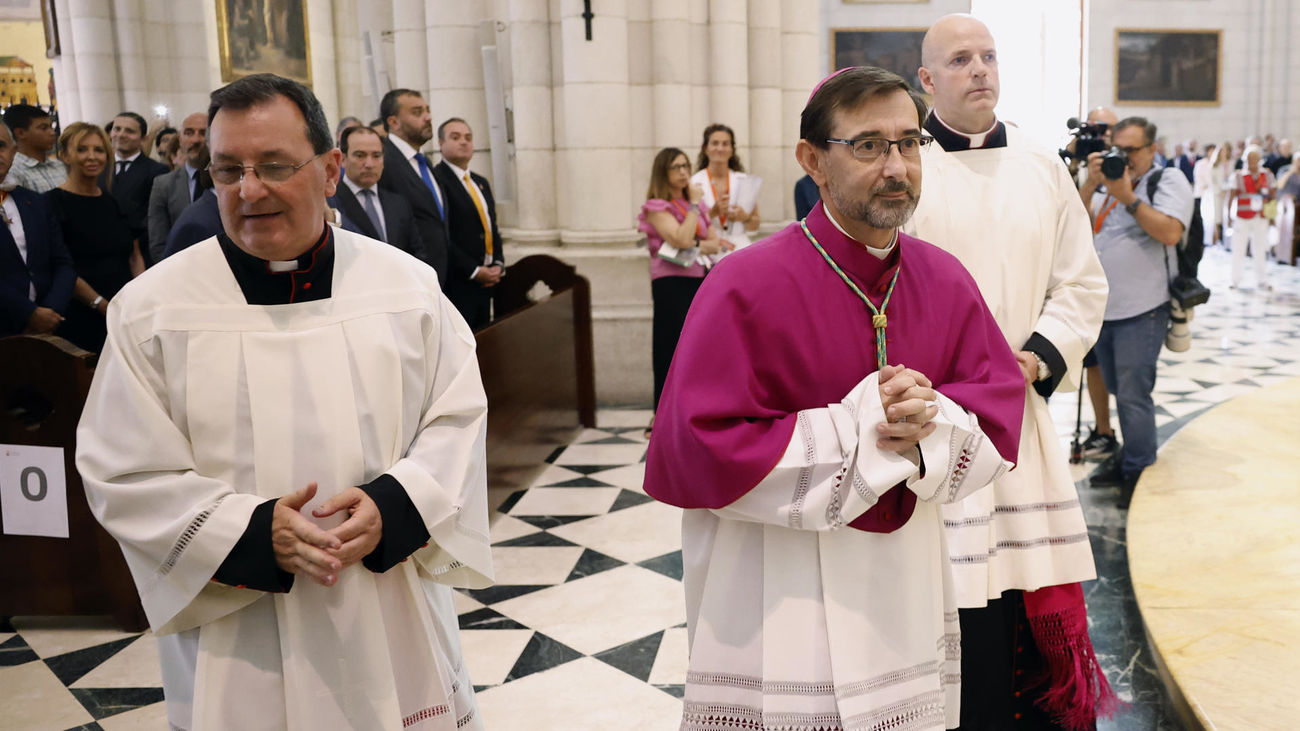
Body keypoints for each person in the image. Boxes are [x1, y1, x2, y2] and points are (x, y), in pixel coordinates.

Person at [76, 73, 492, 730]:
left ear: (329, 171)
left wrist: (396, 505)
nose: (249, 189)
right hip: (239, 627)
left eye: (274, 166)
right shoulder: (151, 312)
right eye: (227, 169)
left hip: (386, 607)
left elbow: (459, 416)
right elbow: (120, 468)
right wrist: (245, 531)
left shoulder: (405, 288)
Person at [646, 65, 1025, 731]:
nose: (897, 167)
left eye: (909, 143)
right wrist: (863, 428)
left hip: (901, 590)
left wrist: (930, 425)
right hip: (774, 593)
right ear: (812, 160)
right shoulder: (742, 284)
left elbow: (996, 410)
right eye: (869, 145)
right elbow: (697, 446)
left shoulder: (943, 278)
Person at [907, 14, 1114, 729]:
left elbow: (1081, 284)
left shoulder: (1039, 163)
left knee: (1014, 589)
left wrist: (1037, 354)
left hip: (1017, 409)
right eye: (960, 60)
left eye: (989, 56)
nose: (980, 70)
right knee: (947, 593)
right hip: (931, 421)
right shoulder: (904, 168)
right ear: (927, 81)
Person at [1082, 116, 1194, 504]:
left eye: (1131, 150)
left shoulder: (1167, 181)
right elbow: (1074, 224)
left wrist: (1127, 196)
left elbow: (1169, 232)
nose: (1123, 158)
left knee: (1132, 394)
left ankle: (1140, 471)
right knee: (1116, 389)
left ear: (1152, 149)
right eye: (1118, 149)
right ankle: (1129, 457)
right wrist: (1092, 184)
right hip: (1104, 309)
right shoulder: (1107, 184)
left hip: (1144, 308)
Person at [638, 147, 726, 414]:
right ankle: (662, 414)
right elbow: (682, 238)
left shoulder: (692, 207)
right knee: (669, 345)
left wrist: (695, 238)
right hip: (670, 281)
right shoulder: (657, 206)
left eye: (686, 166)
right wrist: (695, 208)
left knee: (699, 344)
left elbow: (714, 243)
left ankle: (695, 408)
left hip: (700, 278)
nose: (683, 172)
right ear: (663, 172)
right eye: (676, 167)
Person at [46, 122, 142, 352]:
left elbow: (135, 256)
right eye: (82, 149)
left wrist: (138, 296)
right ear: (65, 155)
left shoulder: (115, 202)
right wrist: (101, 304)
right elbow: (61, 265)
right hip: (80, 314)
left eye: (99, 150)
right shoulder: (51, 204)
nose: (92, 157)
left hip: (125, 310)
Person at [0, 120, 76, 338]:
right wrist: (29, 313)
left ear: (14, 151)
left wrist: (51, 311)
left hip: (49, 327)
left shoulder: (34, 201)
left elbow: (63, 263)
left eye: (1, 146)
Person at [432, 118, 504, 329]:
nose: (464, 142)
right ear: (441, 143)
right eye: (455, 137)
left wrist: (498, 263)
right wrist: (473, 270)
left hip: (488, 281)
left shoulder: (480, 182)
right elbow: (442, 235)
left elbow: (491, 227)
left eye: (468, 138)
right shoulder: (438, 180)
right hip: (458, 281)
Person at [378, 89, 450, 283]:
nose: (428, 117)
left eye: (427, 110)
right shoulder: (383, 161)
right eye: (417, 112)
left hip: (439, 277)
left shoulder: (423, 161)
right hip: (410, 278)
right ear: (394, 122)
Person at [329, 125, 426, 261]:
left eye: (376, 156)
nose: (369, 164)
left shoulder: (399, 203)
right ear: (343, 160)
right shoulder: (330, 202)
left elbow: (417, 253)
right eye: (360, 155)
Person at [103, 111, 169, 267]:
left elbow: (155, 217)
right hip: (104, 255)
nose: (121, 134)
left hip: (141, 253)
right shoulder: (99, 168)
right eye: (117, 129)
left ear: (144, 138)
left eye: (129, 131)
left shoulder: (157, 170)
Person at [147, 111, 210, 262]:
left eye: (203, 133)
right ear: (180, 139)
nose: (196, 139)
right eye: (188, 133)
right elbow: (158, 243)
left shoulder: (229, 179)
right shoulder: (163, 184)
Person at [691, 123, 761, 251]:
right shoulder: (694, 182)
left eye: (725, 144)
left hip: (740, 247)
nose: (720, 148)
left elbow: (755, 225)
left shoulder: (743, 180)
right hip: (708, 248)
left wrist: (744, 217)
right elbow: (689, 227)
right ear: (705, 148)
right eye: (715, 143)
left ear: (732, 149)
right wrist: (712, 213)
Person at [1227, 145, 1276, 290]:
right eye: (1249, 158)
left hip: (1260, 217)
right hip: (1242, 217)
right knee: (1238, 249)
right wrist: (1229, 217)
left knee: (1260, 249)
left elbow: (1272, 196)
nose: (1252, 161)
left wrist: (1272, 216)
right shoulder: (1238, 175)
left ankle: (1262, 280)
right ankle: (1235, 280)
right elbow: (1231, 197)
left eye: (1255, 158)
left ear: (1260, 159)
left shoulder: (1267, 175)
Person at [3, 104, 66, 193]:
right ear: (20, 133)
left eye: (51, 127)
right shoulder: (12, 173)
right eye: (43, 128)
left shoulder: (60, 167)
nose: (52, 133)